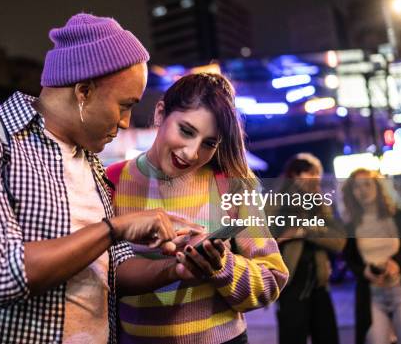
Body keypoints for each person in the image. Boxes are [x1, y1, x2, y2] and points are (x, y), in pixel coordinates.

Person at [0, 13, 203, 343]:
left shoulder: (91, 163)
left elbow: (112, 270)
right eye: (125, 105)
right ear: (84, 91)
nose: (126, 123)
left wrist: (177, 268)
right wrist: (114, 228)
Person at [107, 72, 289, 344]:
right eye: (186, 130)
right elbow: (98, 278)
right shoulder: (111, 181)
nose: (192, 153)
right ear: (160, 113)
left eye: (209, 143)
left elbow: (272, 280)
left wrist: (221, 265)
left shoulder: (230, 186)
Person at [342, 168, 401, 344]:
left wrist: (397, 263)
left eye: (368, 184)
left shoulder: (399, 215)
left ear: (378, 185)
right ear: (351, 192)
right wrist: (364, 271)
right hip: (372, 295)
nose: (363, 190)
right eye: (357, 187)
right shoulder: (351, 225)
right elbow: (351, 260)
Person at [268, 153, 345, 344]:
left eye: (317, 174)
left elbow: (339, 241)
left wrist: (302, 231)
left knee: (327, 337)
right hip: (290, 284)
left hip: (319, 283)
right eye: (311, 173)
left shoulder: (319, 203)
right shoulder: (276, 202)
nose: (316, 178)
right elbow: (269, 238)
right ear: (295, 175)